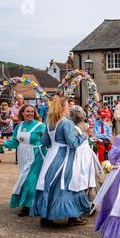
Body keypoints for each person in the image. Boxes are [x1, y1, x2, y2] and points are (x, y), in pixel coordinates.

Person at [32, 97, 91, 228]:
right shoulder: (66, 123)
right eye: (67, 106)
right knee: (69, 184)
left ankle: (46, 217)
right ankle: (73, 217)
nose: (69, 108)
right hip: (64, 157)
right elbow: (73, 143)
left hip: (51, 157)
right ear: (62, 108)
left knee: (50, 185)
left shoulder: (50, 123)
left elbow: (45, 142)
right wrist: (84, 135)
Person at [0, 105, 46, 217]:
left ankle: (28, 206)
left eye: (32, 111)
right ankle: (31, 204)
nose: (30, 113)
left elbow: (48, 140)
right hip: (22, 156)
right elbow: (15, 142)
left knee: (29, 180)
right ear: (22, 113)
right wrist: (4, 143)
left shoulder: (40, 126)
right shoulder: (18, 127)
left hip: (36, 156)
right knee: (25, 178)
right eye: (27, 111)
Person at [69, 105, 103, 202]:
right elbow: (92, 138)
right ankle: (90, 198)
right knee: (89, 176)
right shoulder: (87, 125)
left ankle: (82, 199)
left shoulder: (74, 128)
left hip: (79, 154)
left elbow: (73, 142)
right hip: (88, 152)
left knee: (79, 176)